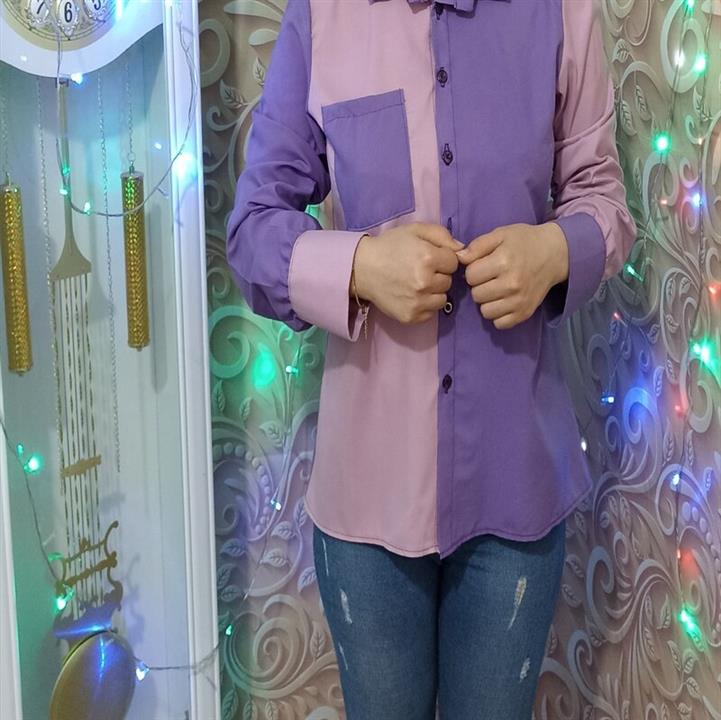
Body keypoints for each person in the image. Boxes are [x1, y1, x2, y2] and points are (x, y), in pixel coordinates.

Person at [226, 0, 636, 717]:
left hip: (514, 482)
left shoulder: (561, 12)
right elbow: (252, 231)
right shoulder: (323, 16)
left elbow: (602, 197)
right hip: (368, 496)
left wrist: (553, 251)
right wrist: (361, 266)